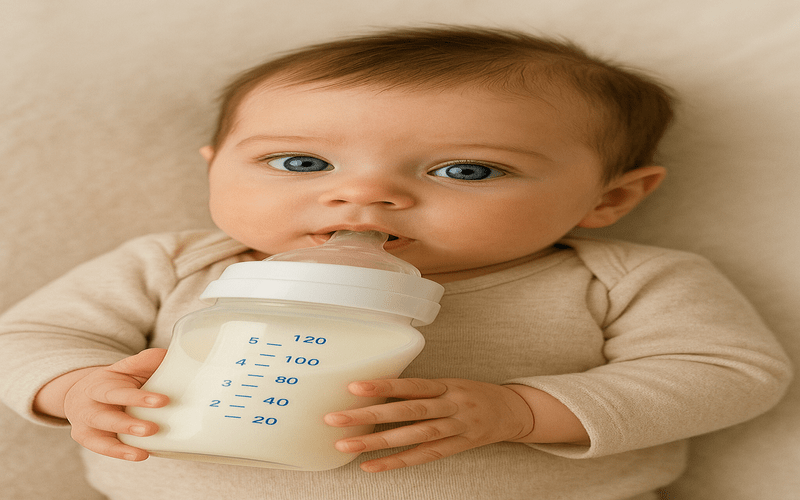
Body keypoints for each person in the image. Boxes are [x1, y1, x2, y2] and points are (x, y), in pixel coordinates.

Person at [0, 26, 792, 500]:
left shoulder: (617, 280)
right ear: (215, 167)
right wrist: (74, 388)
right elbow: (28, 335)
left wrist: (522, 411)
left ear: (610, 199)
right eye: (301, 163)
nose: (365, 199)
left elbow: (728, 372)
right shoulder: (177, 265)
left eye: (465, 171)